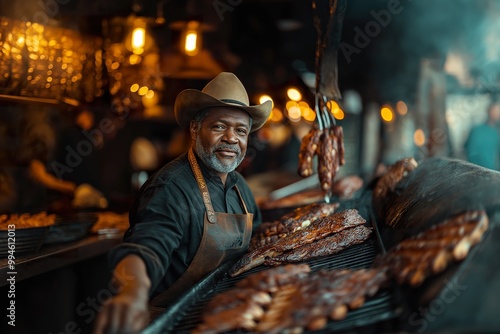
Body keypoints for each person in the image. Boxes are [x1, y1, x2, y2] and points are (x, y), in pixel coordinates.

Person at [93, 72, 272, 334]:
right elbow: (147, 246)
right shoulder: (171, 188)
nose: (232, 138)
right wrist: (133, 292)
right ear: (195, 128)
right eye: (219, 126)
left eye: (241, 130)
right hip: (172, 323)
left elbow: (258, 241)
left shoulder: (240, 188)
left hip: (223, 318)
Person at [464, 102, 500, 170]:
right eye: (495, 112)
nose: (497, 114)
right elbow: (470, 151)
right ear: (488, 112)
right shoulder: (477, 131)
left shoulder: (496, 132)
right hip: (479, 172)